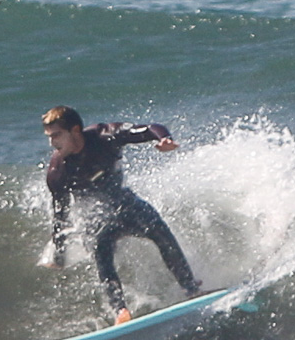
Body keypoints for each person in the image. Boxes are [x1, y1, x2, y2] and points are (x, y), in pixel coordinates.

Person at [39, 105, 201, 325]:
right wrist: (59, 252)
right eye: (49, 137)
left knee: (160, 231)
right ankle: (120, 311)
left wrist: (164, 139)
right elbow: (61, 213)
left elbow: (149, 128)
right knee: (100, 252)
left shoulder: (105, 135)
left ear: (75, 130)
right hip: (95, 218)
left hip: (125, 204)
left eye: (56, 135)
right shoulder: (58, 171)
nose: (52, 143)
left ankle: (191, 289)